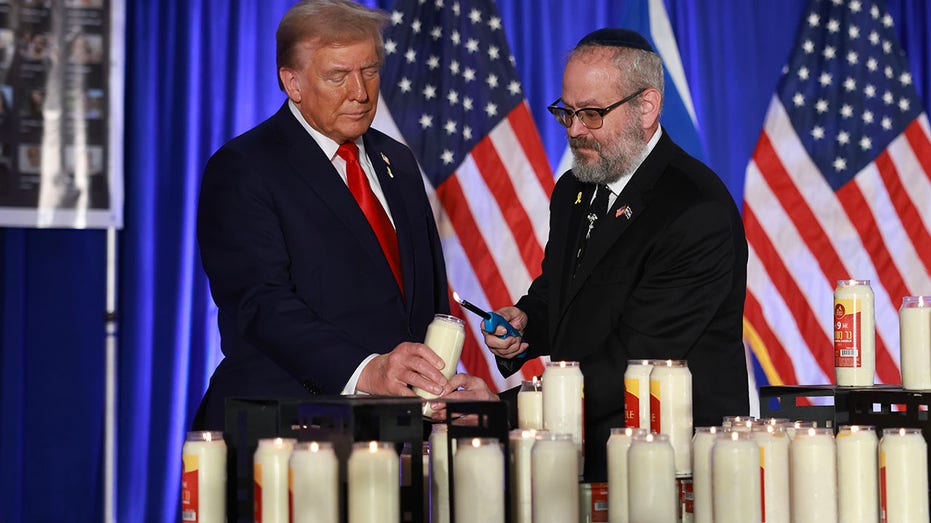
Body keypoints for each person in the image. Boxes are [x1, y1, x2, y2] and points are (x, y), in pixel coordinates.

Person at [194, 0, 494, 431]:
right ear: (292, 83)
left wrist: (435, 391)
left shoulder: (398, 161)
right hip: (287, 430)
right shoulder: (245, 167)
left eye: (369, 71)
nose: (360, 92)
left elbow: (427, 304)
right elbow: (260, 304)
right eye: (337, 76)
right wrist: (367, 370)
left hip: (396, 434)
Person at [482, 28, 750, 482]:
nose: (574, 130)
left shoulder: (695, 208)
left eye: (591, 113)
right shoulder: (574, 189)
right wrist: (526, 323)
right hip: (580, 455)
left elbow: (635, 359)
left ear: (646, 107)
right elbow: (564, 291)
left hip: (671, 470)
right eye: (566, 112)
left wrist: (501, 408)